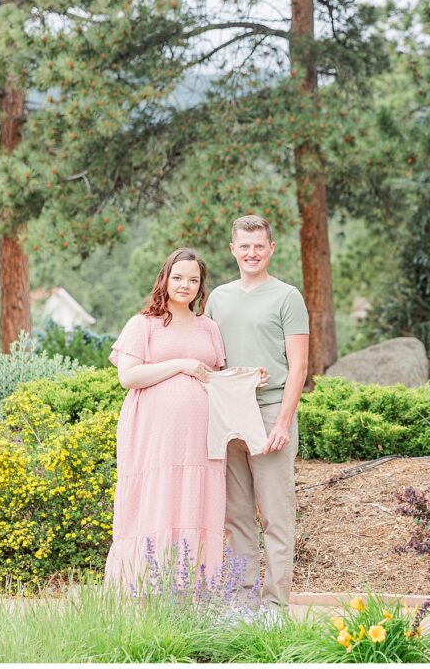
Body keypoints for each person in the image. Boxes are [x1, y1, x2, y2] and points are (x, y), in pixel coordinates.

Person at [104, 247, 231, 588]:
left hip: (202, 442)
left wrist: (250, 378)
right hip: (154, 438)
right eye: (178, 277)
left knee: (195, 506)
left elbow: (216, 378)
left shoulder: (209, 328)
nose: (184, 285)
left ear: (201, 286)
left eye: (193, 279)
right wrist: (180, 364)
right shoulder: (143, 324)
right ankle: (144, 589)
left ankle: (195, 593)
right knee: (156, 503)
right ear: (165, 279)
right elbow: (128, 377)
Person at [206, 215, 309, 610]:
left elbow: (298, 365)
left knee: (276, 518)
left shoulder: (287, 297)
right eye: (244, 246)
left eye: (259, 246)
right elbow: (213, 361)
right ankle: (241, 605)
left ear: (271, 249)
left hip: (269, 416)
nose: (252, 253)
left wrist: (283, 422)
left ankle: (274, 609)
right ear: (233, 249)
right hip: (230, 417)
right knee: (237, 517)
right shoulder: (218, 298)